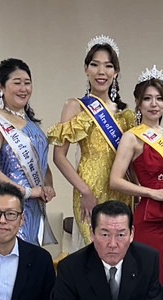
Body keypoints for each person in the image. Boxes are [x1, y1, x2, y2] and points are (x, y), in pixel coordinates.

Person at [49, 36, 136, 245]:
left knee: (118, 249)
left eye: (108, 66)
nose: (101, 72)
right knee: (94, 248)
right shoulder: (76, 106)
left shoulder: (125, 114)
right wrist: (85, 191)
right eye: (95, 65)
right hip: (89, 189)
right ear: (86, 69)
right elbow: (59, 157)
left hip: (121, 191)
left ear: (116, 72)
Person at [109, 67, 163, 278]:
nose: (154, 104)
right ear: (138, 103)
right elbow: (115, 181)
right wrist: (152, 193)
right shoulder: (132, 137)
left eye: (159, 99)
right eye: (147, 98)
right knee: (148, 273)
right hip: (149, 214)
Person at [0, 57, 56, 248]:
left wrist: (48, 185)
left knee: (31, 256)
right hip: (11, 207)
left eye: (27, 83)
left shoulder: (32, 123)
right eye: (17, 83)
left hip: (36, 205)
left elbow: (42, 162)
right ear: (1, 87)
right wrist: (27, 191)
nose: (23, 89)